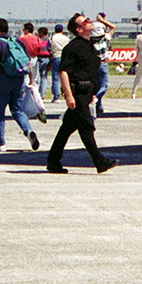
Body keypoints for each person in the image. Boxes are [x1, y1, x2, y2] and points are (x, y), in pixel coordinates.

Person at [47, 13, 117, 174]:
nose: (89, 21)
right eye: (85, 21)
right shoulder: (72, 47)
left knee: (67, 128)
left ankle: (53, 161)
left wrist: (93, 92)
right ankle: (99, 162)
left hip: (86, 93)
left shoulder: (89, 45)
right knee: (86, 127)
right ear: (79, 29)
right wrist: (69, 95)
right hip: (77, 93)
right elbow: (63, 72)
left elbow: (90, 71)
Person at [0, 19, 39, 152]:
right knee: (17, 109)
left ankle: (1, 143)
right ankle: (28, 131)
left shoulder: (0, 44)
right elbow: (27, 62)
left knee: (0, 112)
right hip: (19, 79)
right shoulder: (17, 41)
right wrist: (31, 81)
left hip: (3, 80)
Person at [90, 12, 115, 115]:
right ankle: (96, 99)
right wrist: (102, 21)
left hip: (93, 65)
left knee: (96, 85)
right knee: (104, 85)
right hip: (103, 63)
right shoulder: (106, 38)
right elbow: (113, 27)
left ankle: (99, 106)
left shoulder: (90, 40)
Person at [49, 24, 69, 102]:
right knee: (66, 77)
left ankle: (56, 96)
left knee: (55, 78)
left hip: (56, 56)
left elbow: (48, 47)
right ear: (62, 30)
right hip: (65, 57)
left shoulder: (52, 38)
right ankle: (67, 94)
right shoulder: (66, 38)